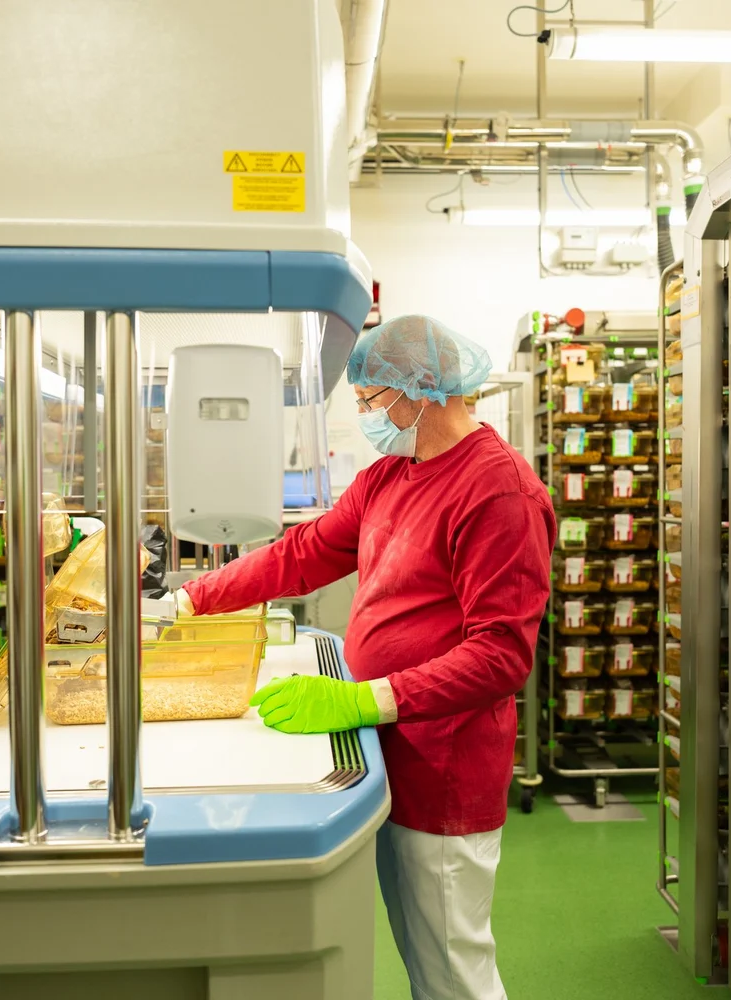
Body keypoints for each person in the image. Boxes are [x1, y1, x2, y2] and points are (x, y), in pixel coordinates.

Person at [177, 315, 554, 1000]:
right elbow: (305, 551)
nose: (365, 416)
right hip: (391, 751)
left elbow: (501, 656)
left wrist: (364, 697)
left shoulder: (500, 493)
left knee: (452, 970)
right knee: (421, 951)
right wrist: (194, 600)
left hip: (445, 766)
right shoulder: (391, 475)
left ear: (424, 390)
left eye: (371, 400)